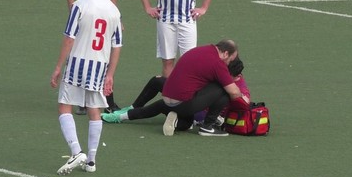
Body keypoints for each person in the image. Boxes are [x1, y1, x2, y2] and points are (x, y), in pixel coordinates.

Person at [51, 0, 122, 175]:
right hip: (99, 66)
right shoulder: (114, 11)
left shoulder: (79, 5)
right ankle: (91, 161)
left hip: (77, 63)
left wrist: (57, 67)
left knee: (65, 107)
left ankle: (76, 151)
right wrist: (110, 74)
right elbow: (117, 45)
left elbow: (69, 38)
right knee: (95, 111)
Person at [108, 40, 243, 137]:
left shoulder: (201, 50)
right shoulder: (218, 64)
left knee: (171, 108)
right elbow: (234, 93)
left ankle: (124, 114)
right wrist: (243, 97)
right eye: (230, 60)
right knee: (223, 90)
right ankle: (207, 127)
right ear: (225, 54)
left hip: (168, 95)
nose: (228, 63)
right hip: (183, 102)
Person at [102, 56, 250, 127]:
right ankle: (134, 107)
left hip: (198, 111)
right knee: (157, 80)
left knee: (163, 104)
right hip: (189, 96)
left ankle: (122, 117)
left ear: (236, 76)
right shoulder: (219, 73)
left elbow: (245, 102)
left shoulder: (238, 88)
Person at [66, 0, 120, 114]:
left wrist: (118, 18)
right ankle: (82, 100)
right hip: (86, 16)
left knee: (102, 55)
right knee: (83, 55)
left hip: (103, 16)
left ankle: (107, 100)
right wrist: (75, 15)